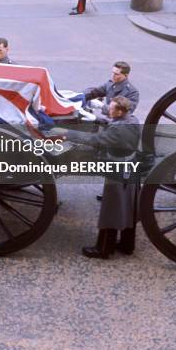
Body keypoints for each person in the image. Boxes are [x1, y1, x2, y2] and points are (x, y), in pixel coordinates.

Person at [61, 97, 141, 259]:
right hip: (130, 167)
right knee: (127, 207)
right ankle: (127, 245)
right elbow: (113, 123)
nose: (108, 110)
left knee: (111, 209)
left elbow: (95, 140)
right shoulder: (132, 119)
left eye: (111, 108)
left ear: (120, 111)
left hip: (118, 170)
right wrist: (98, 119)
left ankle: (103, 248)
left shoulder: (118, 129)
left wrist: (69, 134)